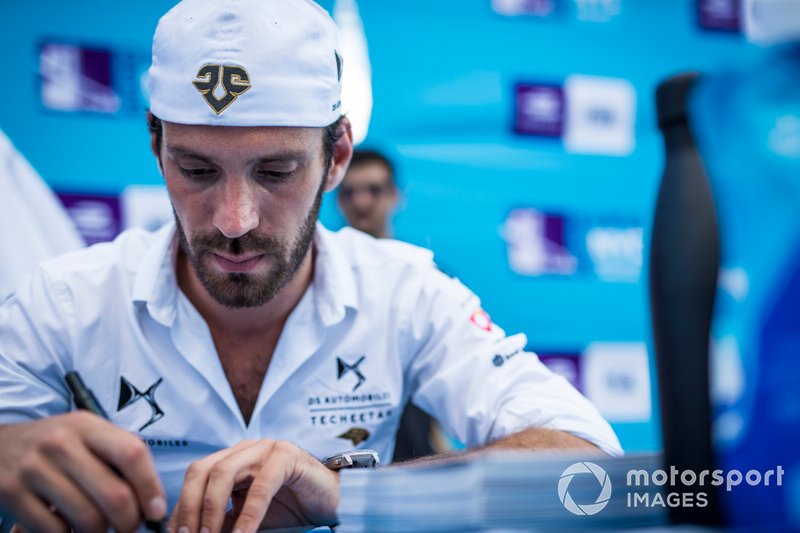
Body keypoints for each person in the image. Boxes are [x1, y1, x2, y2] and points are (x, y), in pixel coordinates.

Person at [0, 1, 622, 532]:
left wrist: (351, 493)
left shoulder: (404, 293)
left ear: (336, 157)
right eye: (197, 170)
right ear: (157, 149)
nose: (234, 219)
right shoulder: (64, 304)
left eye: (275, 172)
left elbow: (592, 467)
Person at [337, 149, 399, 240]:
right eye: (349, 193)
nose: (361, 202)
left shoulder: (417, 253)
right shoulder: (319, 253)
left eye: (375, 190)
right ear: (339, 200)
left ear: (394, 195)